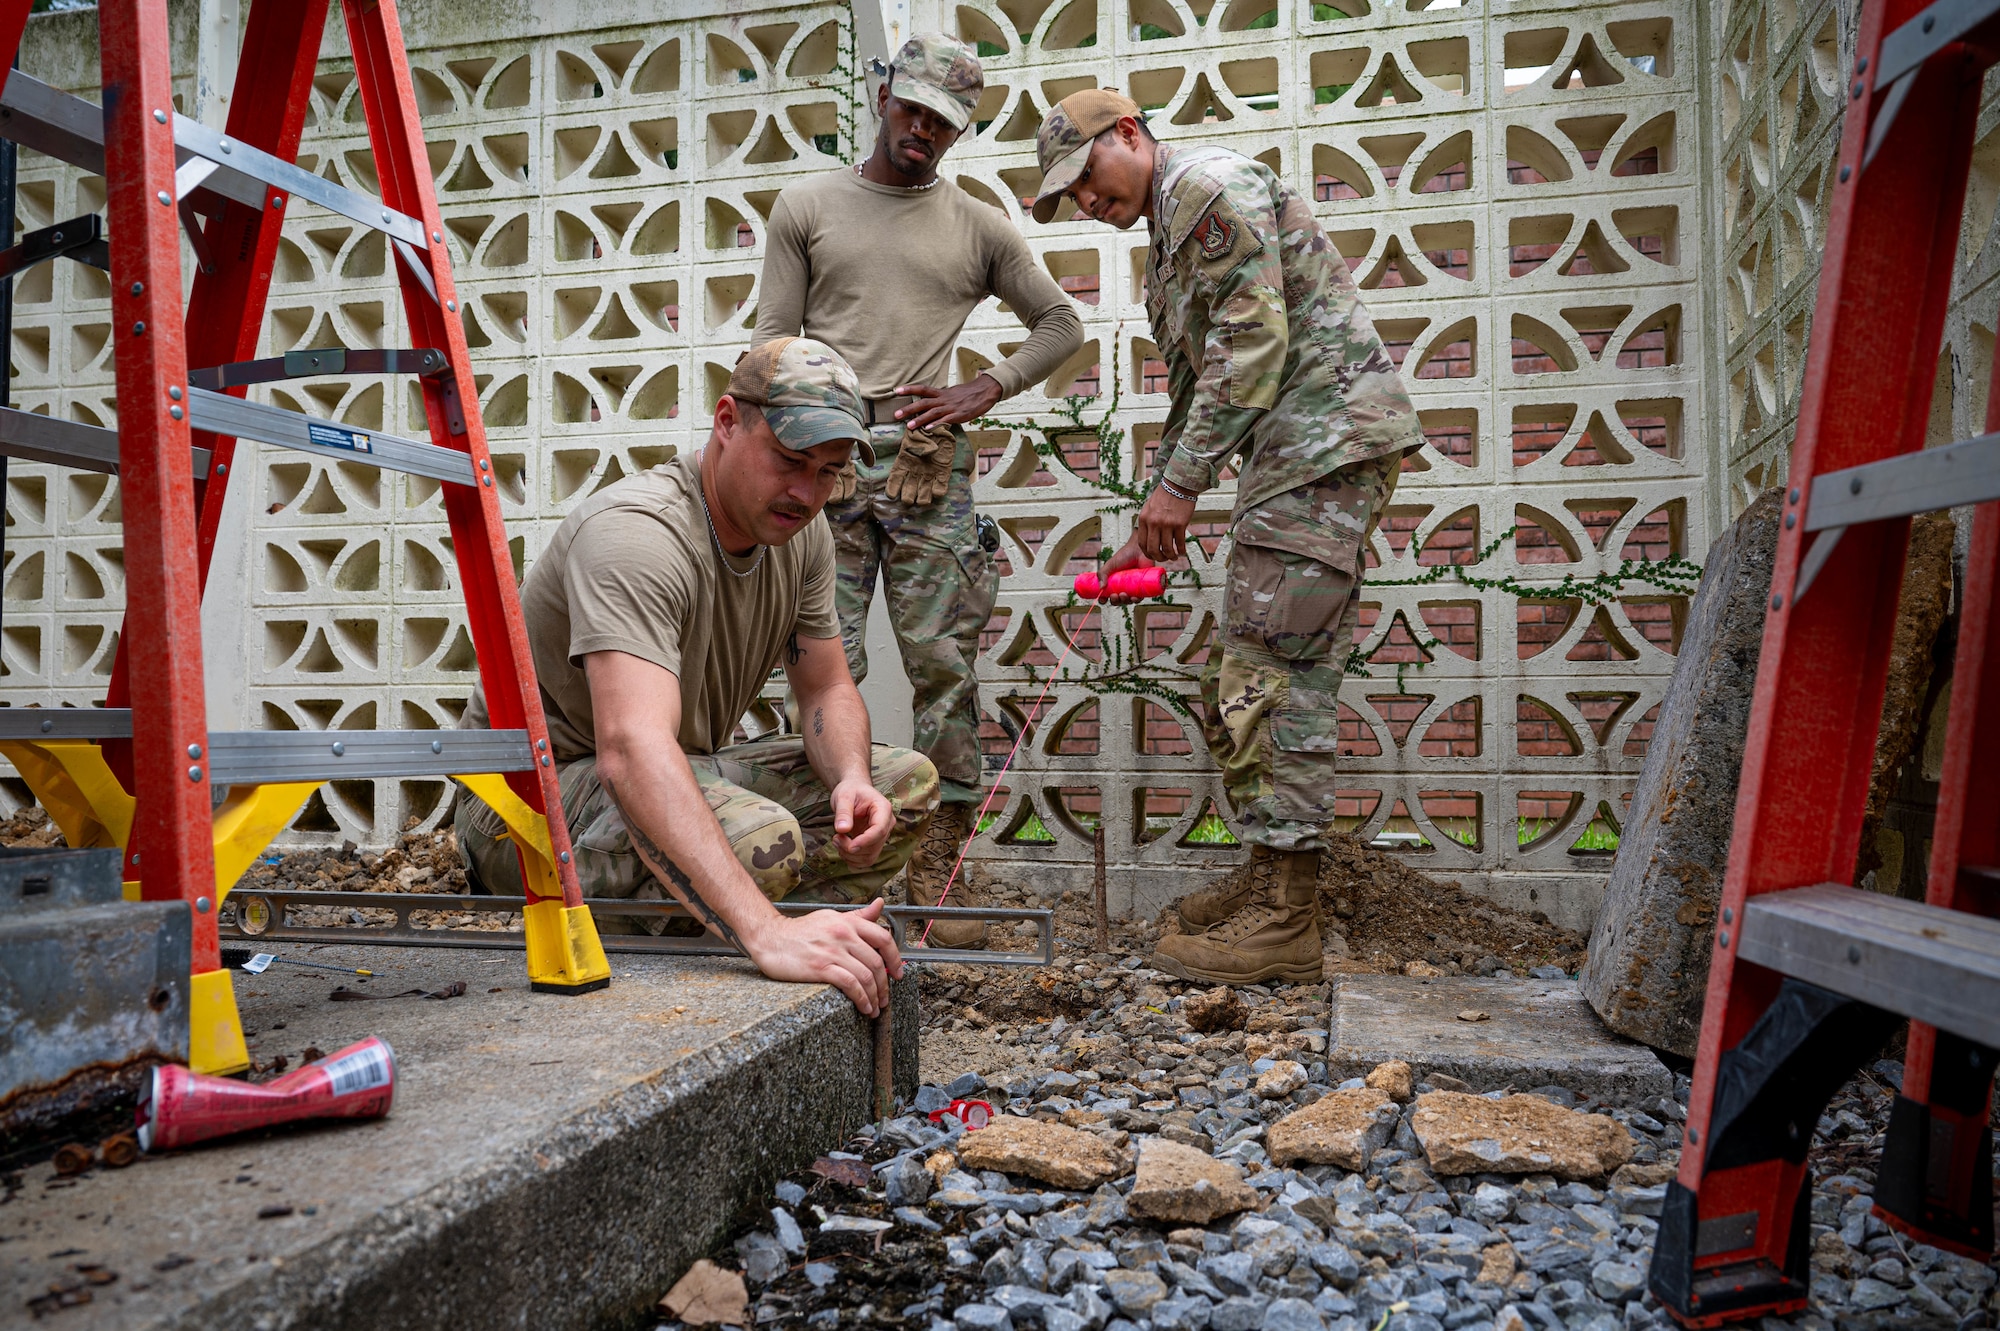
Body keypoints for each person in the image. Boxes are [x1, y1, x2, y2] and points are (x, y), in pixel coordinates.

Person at [1030, 90, 1423, 986]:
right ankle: (1273, 876)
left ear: (1129, 133)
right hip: (1295, 452)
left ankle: (1288, 922)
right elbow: (1196, 384)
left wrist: (1180, 488)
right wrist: (1150, 516)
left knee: (1269, 675)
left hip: (1321, 441)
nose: (1086, 202)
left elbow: (1252, 348)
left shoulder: (1205, 190)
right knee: (1253, 665)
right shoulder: (1167, 241)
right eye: (1069, 197)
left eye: (1085, 177)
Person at [454, 337, 939, 1016]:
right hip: (525, 809)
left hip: (672, 766)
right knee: (761, 844)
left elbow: (826, 687)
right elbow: (630, 751)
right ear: (726, 422)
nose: (806, 492)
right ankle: (762, 926)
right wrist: (765, 934)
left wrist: (852, 780)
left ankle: (794, 929)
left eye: (827, 472)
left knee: (903, 784)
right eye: (790, 460)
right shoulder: (637, 536)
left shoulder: (802, 536)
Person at [753, 33, 1084, 947]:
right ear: (884, 96)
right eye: (914, 112)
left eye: (945, 124)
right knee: (826, 665)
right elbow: (773, 344)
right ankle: (836, 854)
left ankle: (943, 863)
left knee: (944, 669)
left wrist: (987, 386)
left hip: (928, 470)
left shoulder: (977, 223)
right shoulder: (808, 206)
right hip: (827, 465)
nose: (925, 132)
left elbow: (1060, 323)